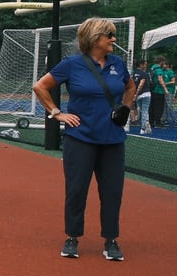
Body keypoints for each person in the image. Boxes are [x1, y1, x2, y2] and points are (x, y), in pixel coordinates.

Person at [33, 18, 135, 262]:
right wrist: (57, 113)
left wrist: (124, 109)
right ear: (94, 38)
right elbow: (40, 87)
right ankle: (72, 237)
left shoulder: (118, 64)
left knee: (112, 192)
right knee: (76, 190)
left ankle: (111, 240)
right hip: (80, 138)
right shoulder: (72, 64)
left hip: (112, 140)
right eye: (109, 35)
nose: (113, 39)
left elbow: (130, 87)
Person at [132, 59, 152, 135]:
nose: (146, 66)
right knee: (145, 111)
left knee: (142, 110)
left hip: (138, 95)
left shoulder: (133, 74)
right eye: (145, 64)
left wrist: (135, 94)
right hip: (145, 93)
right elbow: (141, 84)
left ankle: (147, 126)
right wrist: (136, 94)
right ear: (141, 65)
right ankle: (143, 128)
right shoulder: (144, 74)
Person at [148, 55, 168, 129]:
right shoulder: (159, 69)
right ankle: (157, 122)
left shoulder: (152, 67)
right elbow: (160, 79)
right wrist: (165, 89)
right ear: (161, 61)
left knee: (152, 106)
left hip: (152, 89)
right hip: (158, 90)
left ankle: (151, 121)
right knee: (159, 107)